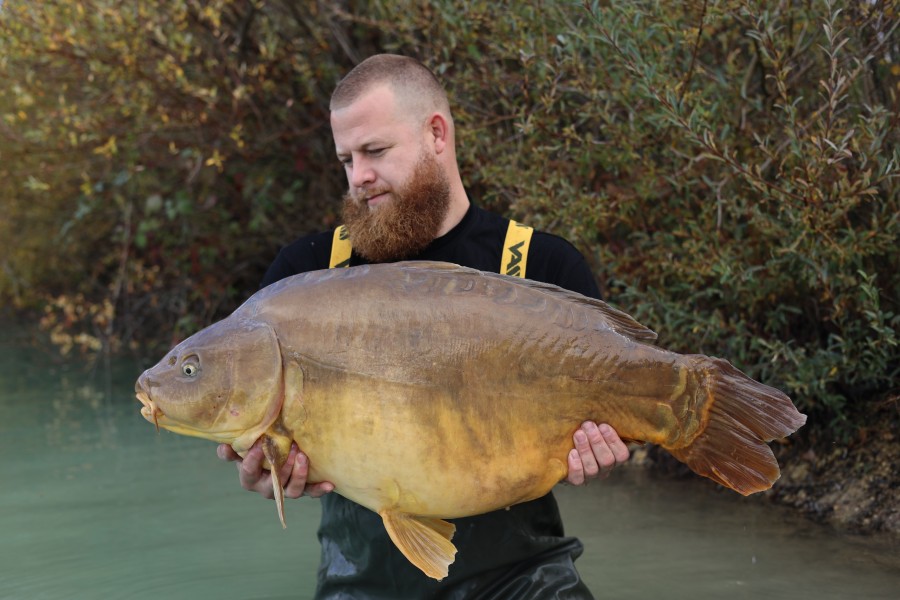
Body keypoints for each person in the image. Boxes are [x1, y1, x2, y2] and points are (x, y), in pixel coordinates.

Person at [217, 54, 630, 599]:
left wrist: (602, 448)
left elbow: (604, 420)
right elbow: (258, 441)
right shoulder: (303, 278)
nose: (358, 176)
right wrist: (260, 472)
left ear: (437, 134)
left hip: (522, 578)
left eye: (376, 151)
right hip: (359, 582)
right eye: (346, 159)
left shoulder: (538, 264)